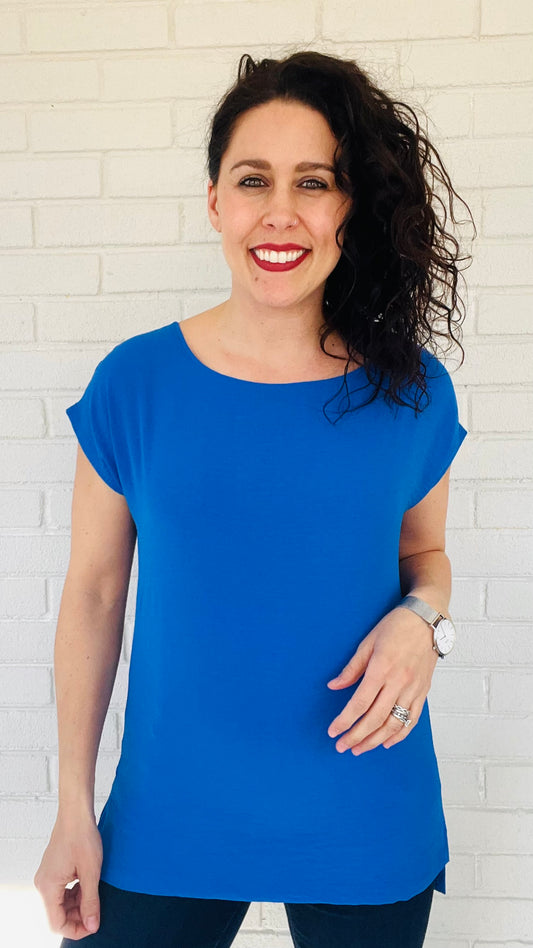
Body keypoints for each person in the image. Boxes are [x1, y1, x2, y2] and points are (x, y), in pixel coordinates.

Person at [34, 49, 473, 947]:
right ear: (214, 203)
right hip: (169, 814)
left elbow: (423, 558)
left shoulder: (411, 389)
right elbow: (94, 595)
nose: (280, 212)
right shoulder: (136, 383)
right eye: (252, 180)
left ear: (349, 207)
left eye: (314, 182)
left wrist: (422, 622)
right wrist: (72, 805)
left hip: (364, 806)